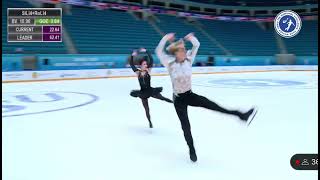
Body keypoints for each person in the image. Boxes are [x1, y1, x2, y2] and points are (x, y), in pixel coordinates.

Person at [155, 33, 257, 162]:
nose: (185, 51)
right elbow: (158, 51)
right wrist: (165, 38)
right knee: (185, 126)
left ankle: (241, 115)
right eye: (182, 49)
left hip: (189, 94)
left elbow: (196, 44)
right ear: (176, 52)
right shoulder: (169, 63)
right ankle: (191, 149)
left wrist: (190, 38)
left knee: (214, 106)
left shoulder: (189, 59)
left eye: (184, 49)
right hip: (178, 99)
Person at [130, 48, 173, 128]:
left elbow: (152, 60)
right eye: (144, 64)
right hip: (143, 93)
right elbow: (132, 64)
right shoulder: (138, 72)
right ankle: (150, 122)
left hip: (150, 90)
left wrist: (147, 52)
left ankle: (175, 103)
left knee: (162, 98)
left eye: (146, 64)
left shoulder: (148, 71)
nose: (146, 65)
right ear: (141, 66)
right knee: (146, 109)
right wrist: (132, 56)